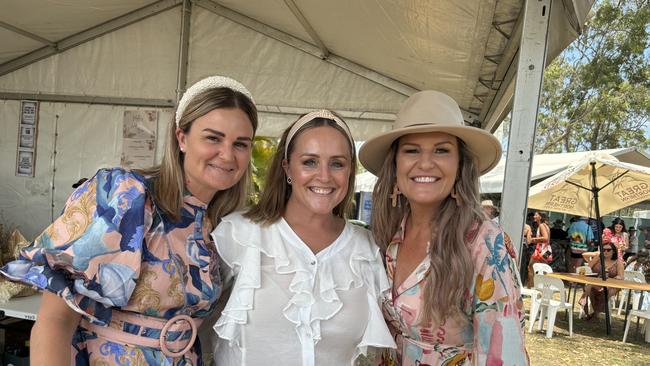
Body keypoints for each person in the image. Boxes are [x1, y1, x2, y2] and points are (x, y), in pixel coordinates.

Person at [0, 75, 258, 365]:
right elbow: (54, 322)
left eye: (241, 144)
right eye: (213, 138)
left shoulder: (225, 223)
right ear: (182, 138)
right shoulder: (127, 195)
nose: (227, 155)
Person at [211, 110, 395, 365]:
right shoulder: (239, 234)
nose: (324, 176)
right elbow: (193, 320)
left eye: (337, 163)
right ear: (287, 167)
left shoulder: (367, 249)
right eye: (310, 161)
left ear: (350, 171)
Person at [359, 90, 527, 365]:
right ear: (395, 164)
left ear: (460, 165)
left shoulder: (484, 244)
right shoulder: (387, 234)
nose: (425, 163)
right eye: (412, 150)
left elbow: (504, 355)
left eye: (441, 150)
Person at [579, 243, 624, 320]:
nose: (605, 252)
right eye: (603, 250)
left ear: (613, 251)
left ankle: (594, 312)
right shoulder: (598, 258)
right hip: (597, 283)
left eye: (608, 250)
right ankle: (588, 303)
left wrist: (617, 277)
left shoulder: (618, 262)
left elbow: (621, 276)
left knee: (606, 291)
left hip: (611, 284)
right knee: (591, 288)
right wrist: (582, 272)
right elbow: (588, 269)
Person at [527, 211, 551, 287]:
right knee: (544, 269)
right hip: (547, 250)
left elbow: (546, 238)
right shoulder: (546, 225)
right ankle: (543, 287)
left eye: (536, 215)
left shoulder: (541, 226)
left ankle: (530, 287)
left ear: (540, 217)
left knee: (531, 268)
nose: (534, 216)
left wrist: (534, 239)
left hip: (541, 250)